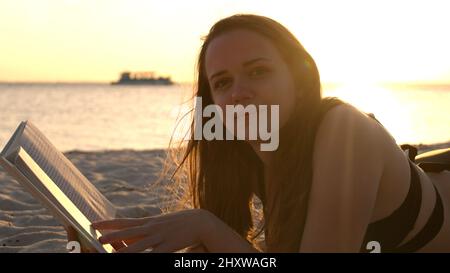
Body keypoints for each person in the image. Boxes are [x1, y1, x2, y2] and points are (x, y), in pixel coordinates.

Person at [66, 14, 450, 253]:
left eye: (259, 71)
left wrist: (205, 226)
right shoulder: (250, 154)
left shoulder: (343, 131)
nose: (239, 92)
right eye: (223, 82)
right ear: (213, 103)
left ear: (299, 81)